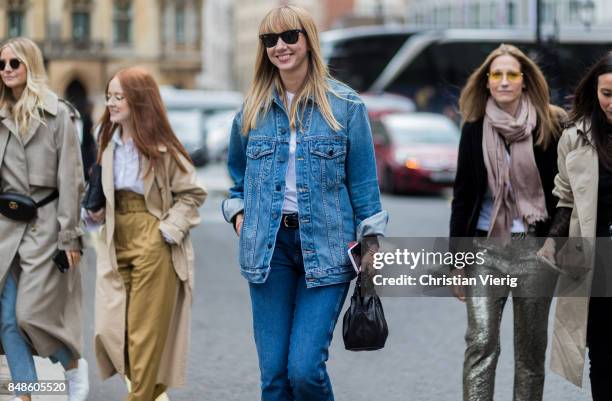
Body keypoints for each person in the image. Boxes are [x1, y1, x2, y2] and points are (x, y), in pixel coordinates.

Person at [222, 5, 387, 401]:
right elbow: (236, 181)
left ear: (308, 40)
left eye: (289, 36)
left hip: (328, 248)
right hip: (268, 250)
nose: (280, 46)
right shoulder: (251, 110)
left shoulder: (346, 107)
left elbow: (364, 188)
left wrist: (371, 248)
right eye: (269, 40)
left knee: (305, 370)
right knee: (274, 377)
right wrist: (239, 216)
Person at [449, 43, 565, 401]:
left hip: (535, 251)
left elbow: (565, 194)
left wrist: (554, 242)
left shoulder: (550, 125)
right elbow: (463, 197)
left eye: (510, 74)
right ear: (486, 82)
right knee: (481, 341)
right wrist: (457, 263)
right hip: (486, 249)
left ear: (524, 81)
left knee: (531, 354)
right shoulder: (473, 129)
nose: (503, 81)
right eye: (496, 74)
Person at [86, 66, 207, 401]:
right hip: (115, 237)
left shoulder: (162, 146)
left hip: (153, 236)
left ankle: (139, 396)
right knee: (111, 331)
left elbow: (192, 193)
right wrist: (94, 211)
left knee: (144, 332)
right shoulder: (107, 142)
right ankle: (150, 390)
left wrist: (168, 230)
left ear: (138, 100)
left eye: (118, 96)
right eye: (109, 96)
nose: (110, 103)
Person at [0, 37, 88, 401]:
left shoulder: (58, 113)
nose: (6, 70)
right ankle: (25, 394)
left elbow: (72, 178)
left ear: (30, 66)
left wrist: (70, 237)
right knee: (5, 321)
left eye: (14, 63)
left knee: (30, 315)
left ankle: (72, 367)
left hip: (45, 225)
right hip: (5, 229)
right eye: (1, 64)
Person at [538, 51, 612, 400]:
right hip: (595, 260)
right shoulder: (575, 137)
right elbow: (564, 198)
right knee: (602, 351)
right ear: (595, 93)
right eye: (607, 94)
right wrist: (552, 241)